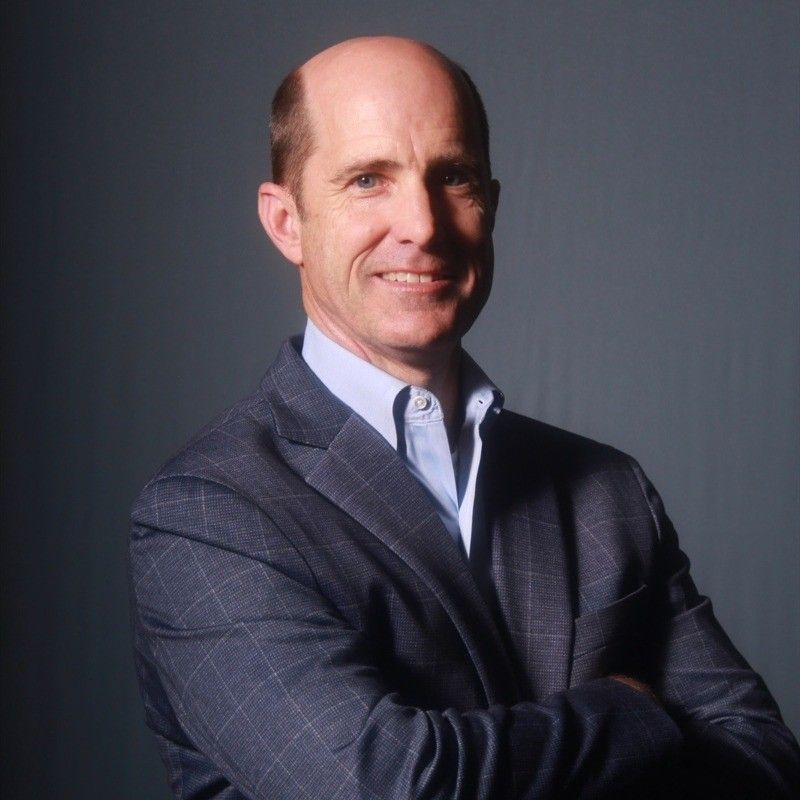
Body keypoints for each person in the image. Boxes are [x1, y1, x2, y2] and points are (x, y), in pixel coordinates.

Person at [129, 36, 800, 799]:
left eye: (452, 177)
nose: (422, 224)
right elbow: (393, 788)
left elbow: (765, 762)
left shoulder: (606, 491)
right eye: (368, 179)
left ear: (492, 203)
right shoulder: (211, 512)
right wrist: (633, 711)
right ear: (287, 222)